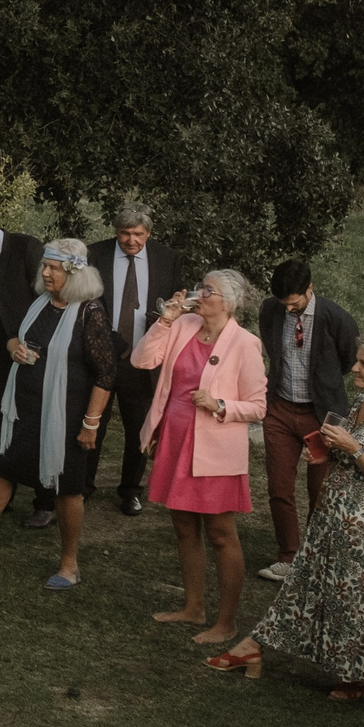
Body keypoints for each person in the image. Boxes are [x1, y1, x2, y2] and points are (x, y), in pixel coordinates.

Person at [208, 336, 364, 697]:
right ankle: (254, 646)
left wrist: (353, 448)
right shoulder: (362, 402)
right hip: (332, 513)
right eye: (357, 361)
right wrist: (326, 452)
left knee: (353, 600)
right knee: (303, 582)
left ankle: (356, 678)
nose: (354, 368)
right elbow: (349, 454)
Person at [0, 240, 116, 589]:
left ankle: (69, 565)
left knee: (67, 490)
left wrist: (91, 423)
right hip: (25, 408)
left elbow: (106, 373)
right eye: (45, 266)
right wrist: (14, 348)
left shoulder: (89, 311)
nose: (45, 273)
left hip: (67, 416)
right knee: (0, 472)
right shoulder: (40, 304)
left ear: (74, 273)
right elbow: (13, 337)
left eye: (54, 268)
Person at [136, 270, 268, 642]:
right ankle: (193, 608)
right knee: (183, 526)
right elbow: (142, 361)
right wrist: (166, 320)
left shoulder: (245, 343)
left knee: (221, 534)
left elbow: (259, 406)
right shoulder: (183, 325)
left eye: (208, 290)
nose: (199, 293)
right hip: (176, 440)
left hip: (215, 449)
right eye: (201, 286)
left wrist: (219, 404)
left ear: (228, 302)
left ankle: (226, 623)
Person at [256, 259, 360, 583]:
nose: (289, 309)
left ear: (310, 289)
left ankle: (312, 558)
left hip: (321, 417)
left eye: (295, 303)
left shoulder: (337, 318)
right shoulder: (270, 310)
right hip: (280, 410)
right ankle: (287, 555)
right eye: (284, 303)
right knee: (279, 486)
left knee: (320, 490)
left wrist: (324, 387)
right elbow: (272, 349)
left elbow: (349, 360)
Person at [86, 202, 180, 515]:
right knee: (93, 422)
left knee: (139, 428)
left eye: (138, 234)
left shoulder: (167, 258)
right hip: (101, 356)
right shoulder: (94, 254)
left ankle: (130, 490)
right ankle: (83, 486)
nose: (131, 240)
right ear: (116, 231)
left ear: (148, 233)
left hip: (142, 359)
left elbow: (175, 304)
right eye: (125, 233)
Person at [0, 207, 51, 526]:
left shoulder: (26, 247)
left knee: (37, 423)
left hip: (34, 353)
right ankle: (4, 494)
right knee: (4, 421)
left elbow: (48, 299)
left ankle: (46, 502)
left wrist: (33, 346)